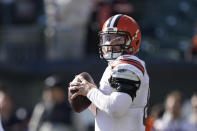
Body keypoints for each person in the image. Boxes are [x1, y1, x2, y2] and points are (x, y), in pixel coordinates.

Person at [69, 14, 150, 131]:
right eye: (107, 38)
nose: (110, 43)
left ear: (133, 40)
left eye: (117, 38)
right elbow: (105, 111)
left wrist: (90, 91)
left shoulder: (128, 65)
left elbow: (116, 108)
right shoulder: (114, 66)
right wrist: (84, 94)